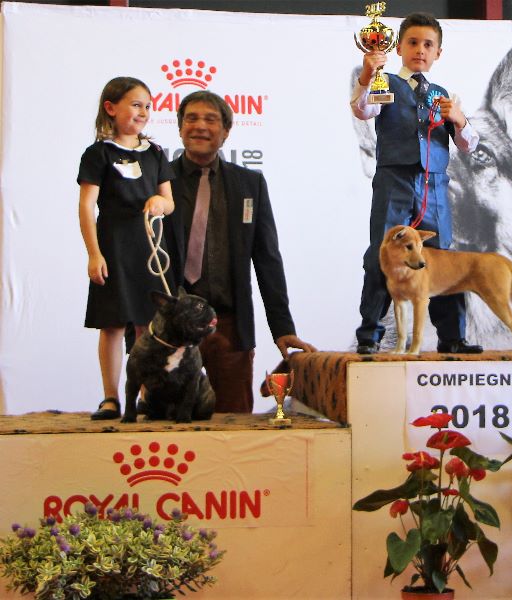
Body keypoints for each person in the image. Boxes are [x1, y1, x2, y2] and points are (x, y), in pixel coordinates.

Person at [166, 90, 316, 413]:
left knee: (233, 431)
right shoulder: (158, 181)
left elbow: (267, 260)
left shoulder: (250, 184)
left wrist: (283, 328)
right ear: (179, 129)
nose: (200, 127)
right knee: (167, 428)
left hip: (229, 326)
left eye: (211, 119)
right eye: (191, 118)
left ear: (226, 132)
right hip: (171, 328)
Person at [350, 12, 482, 355]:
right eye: (412, 42)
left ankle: (452, 336)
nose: (420, 50)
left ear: (438, 52)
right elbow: (364, 111)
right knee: (382, 253)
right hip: (394, 179)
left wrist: (459, 118)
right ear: (398, 48)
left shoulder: (444, 95)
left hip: (434, 185)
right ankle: (370, 335)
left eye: (428, 44)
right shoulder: (385, 81)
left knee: (443, 258)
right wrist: (368, 74)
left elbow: (469, 144)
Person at [79, 76, 175, 421]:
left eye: (148, 106)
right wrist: (94, 253)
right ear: (111, 108)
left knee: (146, 325)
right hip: (113, 246)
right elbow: (87, 205)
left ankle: (146, 395)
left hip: (149, 250)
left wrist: (159, 204)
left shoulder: (155, 153)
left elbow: (169, 201)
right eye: (136, 104)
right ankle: (110, 397)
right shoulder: (98, 154)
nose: (144, 112)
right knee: (113, 323)